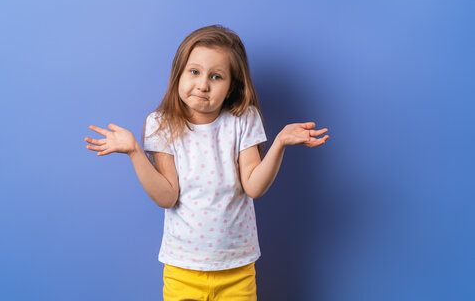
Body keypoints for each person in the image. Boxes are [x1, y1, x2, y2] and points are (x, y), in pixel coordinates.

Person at [84, 24, 330, 300]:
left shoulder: (243, 120)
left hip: (237, 268)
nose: (202, 85)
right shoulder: (161, 124)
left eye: (216, 76)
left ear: (231, 87)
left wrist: (280, 143)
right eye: (194, 72)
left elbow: (254, 187)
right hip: (183, 269)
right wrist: (135, 153)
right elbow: (167, 196)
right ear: (178, 73)